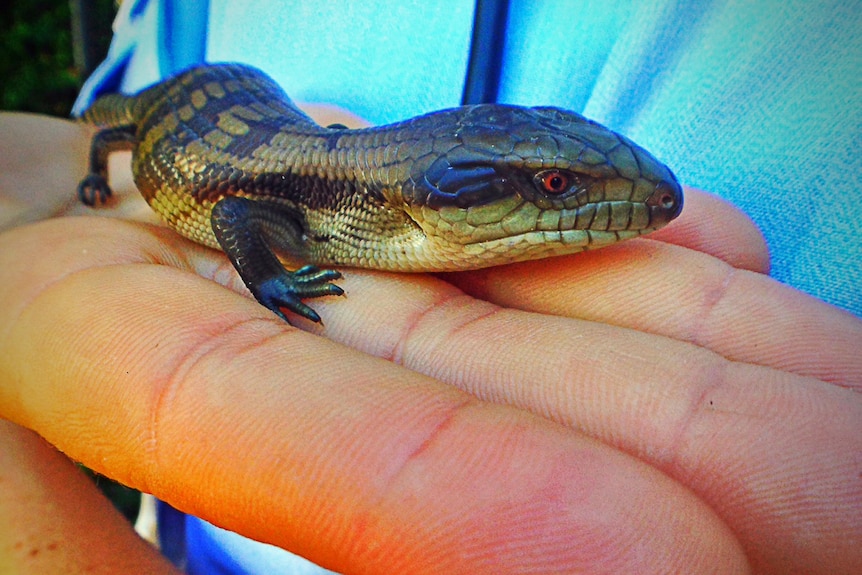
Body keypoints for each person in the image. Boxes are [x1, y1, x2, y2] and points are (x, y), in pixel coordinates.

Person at [0, 2, 859, 573]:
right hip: (194, 104)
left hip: (256, 108)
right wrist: (271, 279)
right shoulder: (289, 198)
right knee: (115, 121)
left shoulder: (357, 196)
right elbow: (235, 221)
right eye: (553, 188)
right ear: (430, 195)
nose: (636, 205)